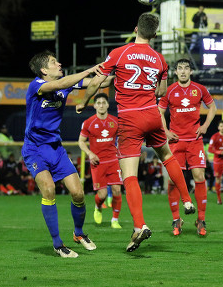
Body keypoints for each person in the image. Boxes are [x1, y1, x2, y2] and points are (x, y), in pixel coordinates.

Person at [76, 13, 196, 252]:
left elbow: (95, 82)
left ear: (135, 30)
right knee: (167, 156)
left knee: (129, 175)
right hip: (152, 114)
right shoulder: (160, 59)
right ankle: (187, 199)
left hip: (130, 118)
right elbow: (161, 91)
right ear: (154, 35)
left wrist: (83, 102)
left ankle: (139, 224)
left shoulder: (119, 53)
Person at [21, 50, 106, 258]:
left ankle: (78, 234)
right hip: (34, 149)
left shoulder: (64, 86)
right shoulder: (36, 86)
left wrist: (118, 71)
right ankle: (58, 244)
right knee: (48, 190)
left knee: (78, 193)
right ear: (43, 70)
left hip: (56, 149)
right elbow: (60, 84)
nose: (59, 63)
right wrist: (88, 70)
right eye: (53, 62)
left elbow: (100, 82)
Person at [158, 58, 216, 236]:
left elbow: (212, 107)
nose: (183, 71)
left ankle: (201, 219)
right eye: (180, 69)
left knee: (199, 176)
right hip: (175, 141)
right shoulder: (170, 90)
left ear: (191, 71)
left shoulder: (199, 89)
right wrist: (165, 131)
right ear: (176, 72)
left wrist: (205, 126)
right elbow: (159, 111)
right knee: (173, 180)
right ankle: (176, 219)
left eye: (186, 68)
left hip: (194, 140)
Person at [78, 93, 123, 229]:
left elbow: (123, 138)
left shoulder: (115, 121)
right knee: (102, 195)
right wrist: (90, 153)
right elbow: (81, 142)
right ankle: (98, 206)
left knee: (116, 190)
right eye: (99, 103)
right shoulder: (88, 123)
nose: (102, 105)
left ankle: (115, 220)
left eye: (104, 102)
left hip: (113, 161)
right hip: (97, 163)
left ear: (108, 105)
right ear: (95, 105)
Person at [208, 120, 223, 204]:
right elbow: (209, 149)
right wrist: (218, 152)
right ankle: (219, 198)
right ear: (218, 127)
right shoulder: (214, 137)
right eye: (221, 126)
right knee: (218, 179)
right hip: (218, 161)